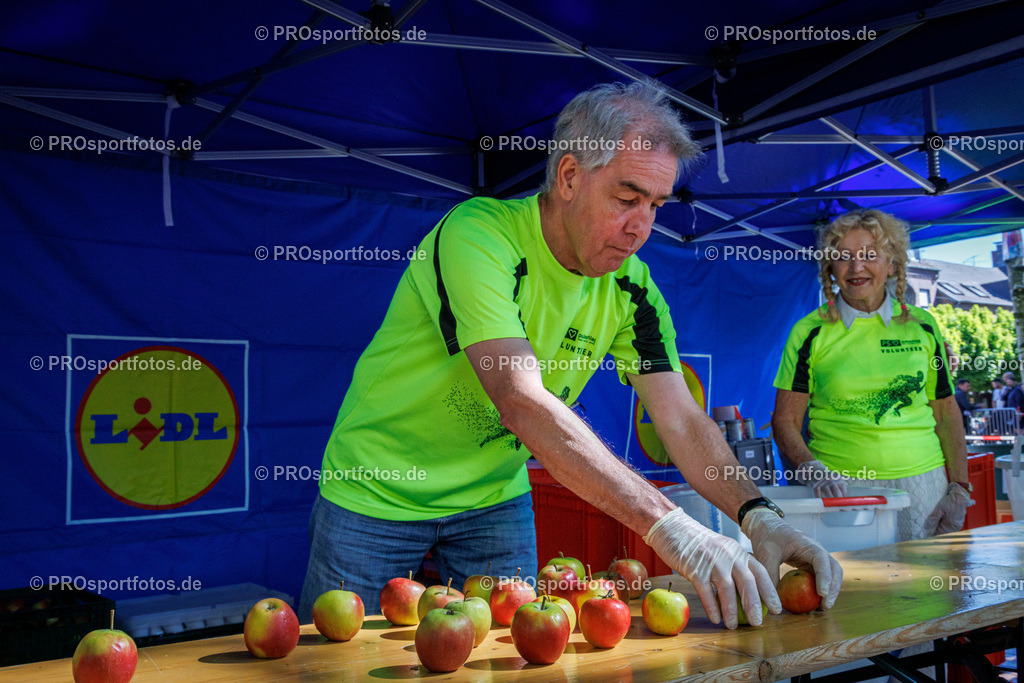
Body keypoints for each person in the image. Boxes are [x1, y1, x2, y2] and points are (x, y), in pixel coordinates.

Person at [298, 81, 841, 630]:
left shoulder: (634, 287)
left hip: (493, 499)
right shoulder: (479, 235)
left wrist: (760, 517)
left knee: (512, 663)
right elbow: (520, 399)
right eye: (627, 199)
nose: (641, 228)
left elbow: (680, 417)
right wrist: (672, 529)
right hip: (377, 491)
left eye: (655, 205)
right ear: (569, 177)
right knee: (342, 665)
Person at [772, 209, 972, 542]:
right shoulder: (808, 332)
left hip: (924, 484)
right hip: (842, 486)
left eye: (869, 255)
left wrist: (960, 487)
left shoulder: (923, 326)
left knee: (926, 589)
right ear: (830, 268)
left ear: (891, 264)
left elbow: (946, 412)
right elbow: (784, 421)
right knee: (852, 589)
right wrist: (811, 468)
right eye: (843, 257)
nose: (856, 267)